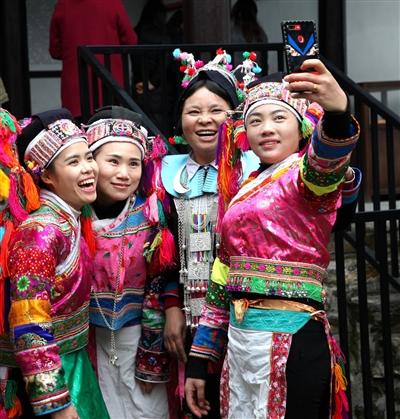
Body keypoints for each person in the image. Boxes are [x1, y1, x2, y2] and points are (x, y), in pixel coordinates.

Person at [185, 60, 360, 418]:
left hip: (293, 339)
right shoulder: (243, 188)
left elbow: (325, 166)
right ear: (243, 134)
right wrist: (201, 360)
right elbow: (222, 276)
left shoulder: (305, 178)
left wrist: (339, 113)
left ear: (301, 128)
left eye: (279, 118)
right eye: (255, 120)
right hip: (239, 342)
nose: (266, 129)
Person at [0, 107, 110, 418]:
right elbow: (29, 322)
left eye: (88, 157)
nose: (88, 168)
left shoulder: (72, 219)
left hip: (72, 360)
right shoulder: (41, 233)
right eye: (73, 162)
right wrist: (56, 401)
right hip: (48, 374)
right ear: (46, 175)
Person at [84, 105, 178, 418]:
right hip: (87, 342)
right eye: (113, 161)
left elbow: (162, 278)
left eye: (133, 163)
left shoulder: (152, 216)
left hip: (140, 340)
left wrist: (152, 352)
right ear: (91, 162)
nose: (124, 173)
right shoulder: (73, 214)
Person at [49, 0, 138, 120]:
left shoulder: (63, 5)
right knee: (112, 133)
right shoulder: (113, 3)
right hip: (109, 85)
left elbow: (55, 51)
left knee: (79, 133)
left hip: (77, 89)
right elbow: (130, 41)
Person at [230, 0, 268, 70]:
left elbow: (264, 60)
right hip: (236, 75)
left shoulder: (259, 34)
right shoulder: (231, 33)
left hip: (255, 75)